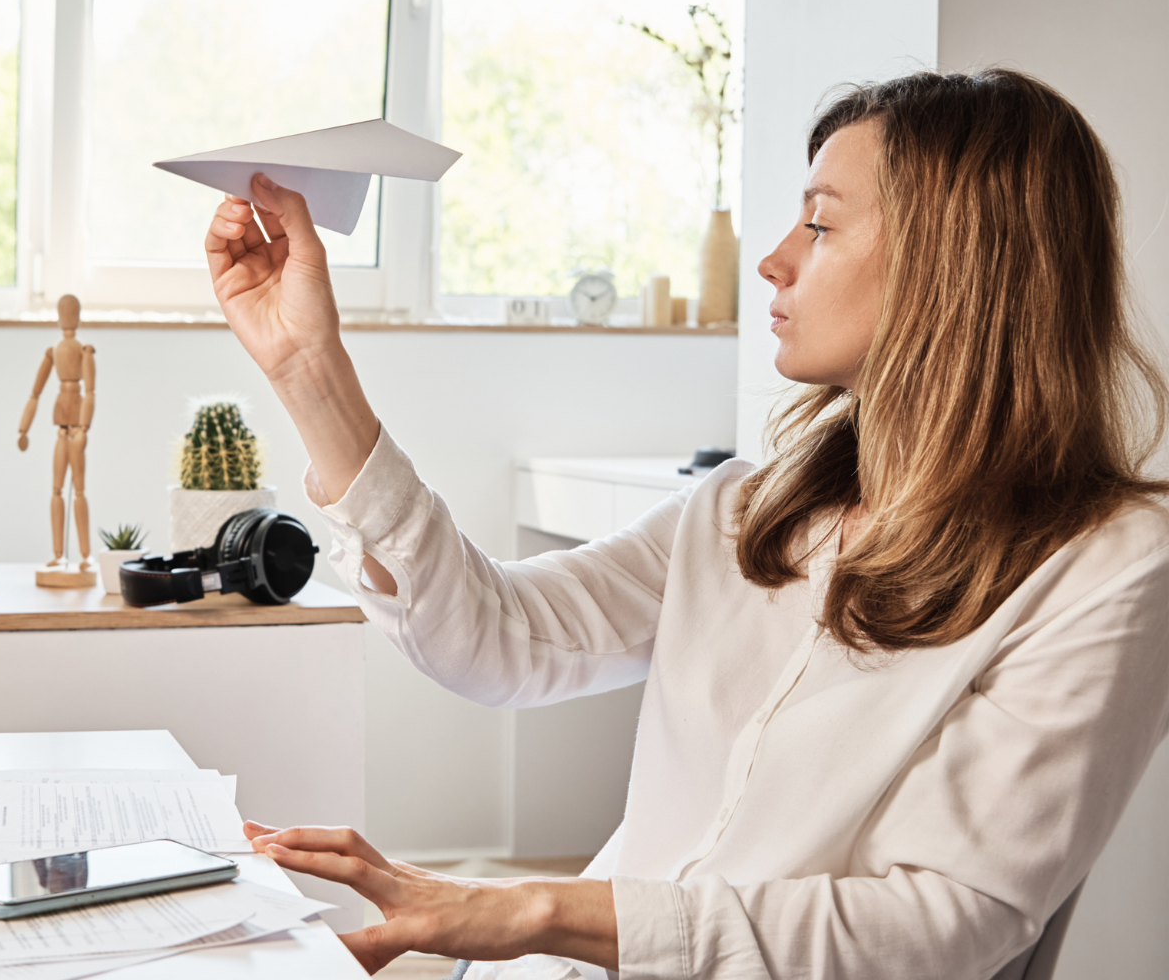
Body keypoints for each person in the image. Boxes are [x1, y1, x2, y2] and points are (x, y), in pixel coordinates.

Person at [203, 69, 1169, 979]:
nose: (774, 261)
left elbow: (944, 923)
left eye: (819, 226)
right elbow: (497, 638)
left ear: (953, 266)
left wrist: (532, 912)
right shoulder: (749, 508)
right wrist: (308, 368)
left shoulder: (1107, 566)